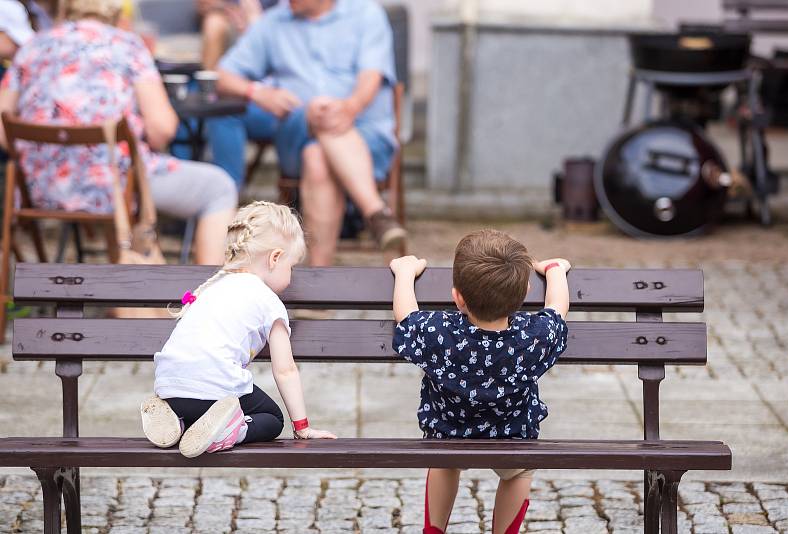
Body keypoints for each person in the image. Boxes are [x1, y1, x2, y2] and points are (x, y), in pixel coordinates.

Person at [0, 0, 237, 265]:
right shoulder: (127, 46)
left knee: (124, 173)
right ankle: (214, 296)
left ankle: (117, 289)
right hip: (115, 187)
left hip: (40, 189)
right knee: (219, 187)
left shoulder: (32, 47)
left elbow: (2, 127)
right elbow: (163, 129)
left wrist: (51, 153)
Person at [389, 230, 570, 534]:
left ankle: (434, 530)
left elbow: (405, 317)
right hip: (513, 437)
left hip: (447, 435)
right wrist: (555, 271)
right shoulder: (534, 335)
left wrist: (405, 274)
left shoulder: (440, 332)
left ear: (457, 296)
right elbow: (557, 309)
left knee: (444, 464)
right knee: (519, 473)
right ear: (524, 292)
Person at [208, 0, 407, 265]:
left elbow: (371, 77)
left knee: (317, 156)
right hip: (296, 137)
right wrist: (258, 92)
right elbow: (221, 75)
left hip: (368, 139)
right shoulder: (274, 22)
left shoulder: (366, 14)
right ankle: (376, 212)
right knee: (316, 110)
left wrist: (349, 108)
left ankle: (319, 280)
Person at [140, 201, 336, 458]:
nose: (292, 275)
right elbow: (285, 370)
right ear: (275, 257)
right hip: (213, 387)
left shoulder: (214, 287)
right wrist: (302, 427)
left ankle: (179, 422)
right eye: (292, 266)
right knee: (271, 417)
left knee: (206, 400)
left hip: (169, 387)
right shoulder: (268, 301)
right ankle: (228, 431)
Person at [196, 0, 276, 69]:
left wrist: (257, 20)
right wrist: (230, 9)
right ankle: (209, 83)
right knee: (214, 23)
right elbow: (205, 4)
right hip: (230, 20)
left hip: (271, 23)